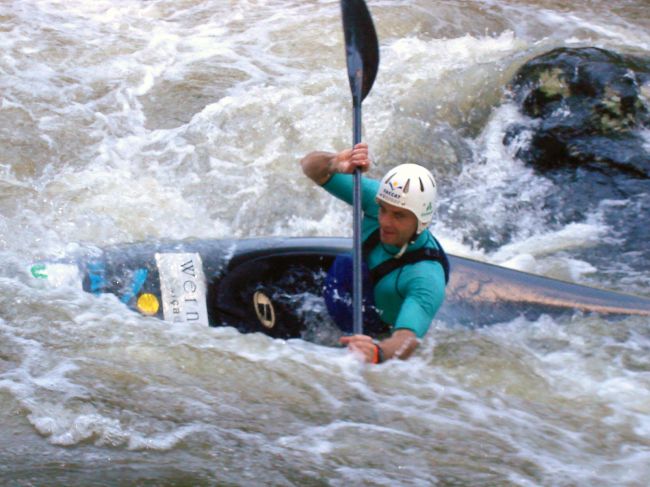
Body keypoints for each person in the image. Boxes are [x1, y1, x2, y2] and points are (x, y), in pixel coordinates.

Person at [300, 142, 448, 363]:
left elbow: (406, 340)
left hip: (371, 326)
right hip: (342, 291)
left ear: (421, 222)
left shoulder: (426, 277)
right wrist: (336, 162)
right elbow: (310, 167)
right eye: (383, 210)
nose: (385, 221)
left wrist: (377, 353)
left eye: (399, 216)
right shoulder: (376, 199)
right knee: (347, 265)